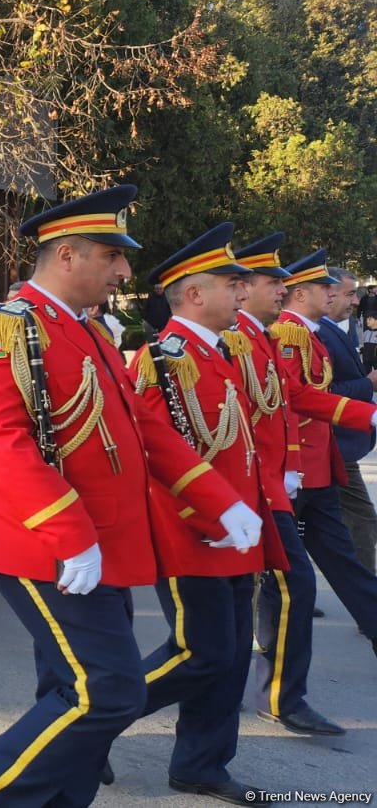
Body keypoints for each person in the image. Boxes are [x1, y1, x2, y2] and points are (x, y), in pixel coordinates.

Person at [0, 185, 254, 808]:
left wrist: (220, 500)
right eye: (112, 256)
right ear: (67, 256)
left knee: (80, 686)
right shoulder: (10, 326)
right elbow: (1, 442)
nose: (125, 271)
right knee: (106, 691)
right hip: (46, 545)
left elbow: (145, 430)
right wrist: (71, 536)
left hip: (100, 544)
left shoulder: (86, 331)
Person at [119, 223, 277, 803]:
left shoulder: (219, 353)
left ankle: (202, 763)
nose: (244, 294)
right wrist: (213, 514)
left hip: (234, 532)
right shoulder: (162, 359)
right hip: (189, 531)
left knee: (230, 656)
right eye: (232, 285)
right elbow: (158, 454)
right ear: (192, 294)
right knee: (202, 651)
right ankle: (88, 717)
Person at [233, 236, 377, 738]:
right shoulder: (275, 336)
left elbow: (292, 398)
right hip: (274, 479)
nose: (286, 289)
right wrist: (288, 467)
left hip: (303, 470)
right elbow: (284, 407)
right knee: (283, 587)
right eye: (276, 282)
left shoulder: (278, 337)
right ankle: (100, 711)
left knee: (329, 564)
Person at [320, 267, 377, 571]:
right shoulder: (318, 333)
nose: (355, 300)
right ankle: (368, 598)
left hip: (336, 444)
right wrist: (369, 383)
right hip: (332, 442)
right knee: (361, 517)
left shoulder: (332, 330)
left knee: (317, 521)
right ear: (328, 294)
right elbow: (321, 393)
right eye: (349, 293)